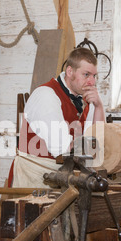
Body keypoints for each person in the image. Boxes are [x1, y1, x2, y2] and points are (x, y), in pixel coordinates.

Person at [8, 47, 105, 188]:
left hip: (62, 175)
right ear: (70, 72)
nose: (92, 82)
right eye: (86, 75)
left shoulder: (85, 98)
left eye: (94, 76)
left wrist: (99, 106)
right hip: (35, 175)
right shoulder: (46, 95)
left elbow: (98, 139)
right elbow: (63, 150)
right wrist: (91, 144)